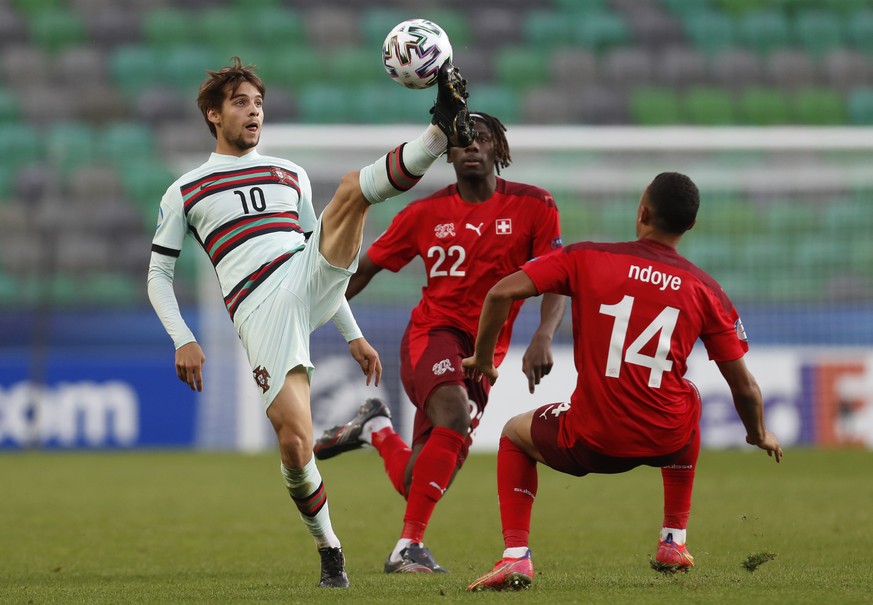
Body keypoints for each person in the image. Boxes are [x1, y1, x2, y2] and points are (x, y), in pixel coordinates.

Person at [146, 56, 475, 589]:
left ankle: (438, 132)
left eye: (258, 103)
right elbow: (158, 275)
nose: (254, 113)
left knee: (351, 191)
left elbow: (314, 253)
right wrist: (183, 338)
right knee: (296, 446)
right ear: (213, 114)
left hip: (302, 275)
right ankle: (330, 549)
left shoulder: (289, 173)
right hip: (258, 307)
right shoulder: (186, 189)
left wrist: (354, 333)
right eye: (240, 104)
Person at [461, 172, 783, 591]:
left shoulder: (587, 257)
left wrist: (483, 359)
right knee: (688, 399)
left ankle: (516, 557)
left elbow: (500, 293)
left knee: (511, 435)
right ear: (690, 226)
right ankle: (673, 539)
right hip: (664, 440)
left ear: (642, 212)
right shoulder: (707, 290)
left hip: (591, 440)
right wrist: (758, 433)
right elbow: (744, 388)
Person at [312, 112, 567, 574]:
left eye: (481, 139)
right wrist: (307, 310)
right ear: (446, 154)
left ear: (498, 150)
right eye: (460, 141)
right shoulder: (424, 213)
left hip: (485, 354)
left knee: (422, 479)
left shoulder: (536, 206)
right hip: (432, 335)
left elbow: (556, 278)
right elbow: (364, 267)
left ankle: (376, 430)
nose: (470, 147)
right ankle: (408, 547)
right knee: (453, 417)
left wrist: (544, 335)